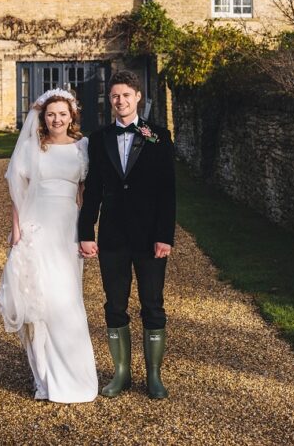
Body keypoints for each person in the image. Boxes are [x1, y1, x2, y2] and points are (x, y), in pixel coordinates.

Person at [77, 70, 175, 399]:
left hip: (150, 238)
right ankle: (121, 374)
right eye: (115, 96)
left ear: (138, 98)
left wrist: (165, 236)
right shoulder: (99, 138)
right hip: (113, 237)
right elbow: (92, 191)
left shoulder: (157, 136)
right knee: (115, 305)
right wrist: (85, 231)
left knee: (153, 305)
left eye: (126, 95)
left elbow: (168, 191)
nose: (120, 101)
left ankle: (154, 377)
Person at [0, 89, 98, 403]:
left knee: (67, 300)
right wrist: (16, 230)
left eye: (62, 114)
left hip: (67, 230)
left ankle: (75, 377)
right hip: (37, 228)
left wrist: (86, 232)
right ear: (44, 117)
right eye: (51, 114)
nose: (57, 119)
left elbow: (84, 193)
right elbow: (18, 191)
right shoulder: (31, 147)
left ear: (72, 117)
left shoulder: (83, 147)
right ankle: (45, 378)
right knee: (39, 302)